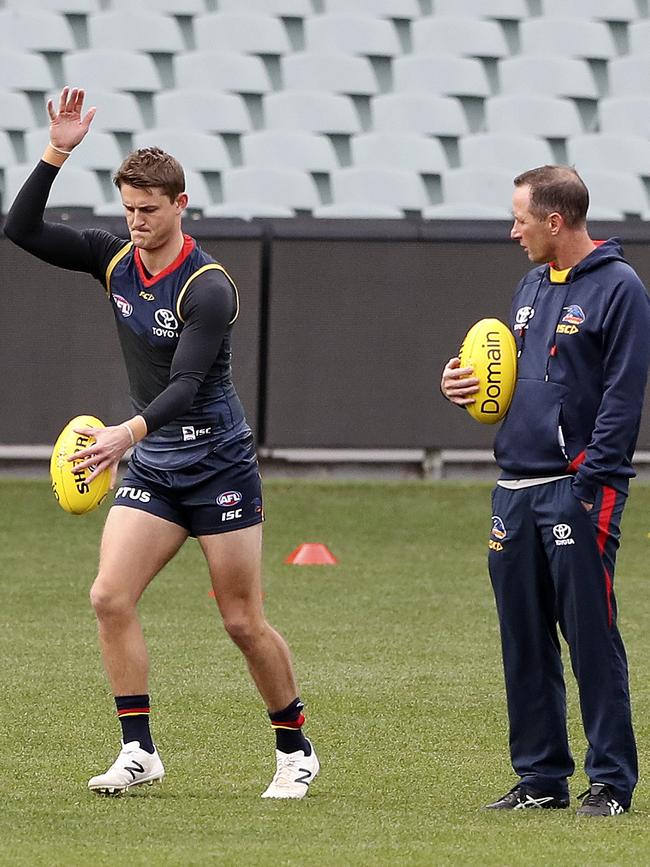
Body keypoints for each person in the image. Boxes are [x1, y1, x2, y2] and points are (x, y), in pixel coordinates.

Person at [4, 86, 319, 799]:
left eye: (150, 209)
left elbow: (185, 382)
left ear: (181, 204)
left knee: (241, 619)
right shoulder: (113, 259)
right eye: (129, 209)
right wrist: (57, 150)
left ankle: (295, 747)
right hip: (156, 463)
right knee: (109, 595)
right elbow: (20, 229)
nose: (137, 222)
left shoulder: (208, 287)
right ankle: (139, 750)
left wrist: (127, 431)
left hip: (218, 463)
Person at [441, 165, 650, 817]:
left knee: (591, 635)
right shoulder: (531, 284)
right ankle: (541, 779)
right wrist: (467, 388)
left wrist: (591, 482)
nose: (513, 231)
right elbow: (514, 381)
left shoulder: (621, 290)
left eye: (520, 219)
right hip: (514, 487)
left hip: (579, 489)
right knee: (523, 638)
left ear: (554, 222)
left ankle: (611, 782)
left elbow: (622, 396)